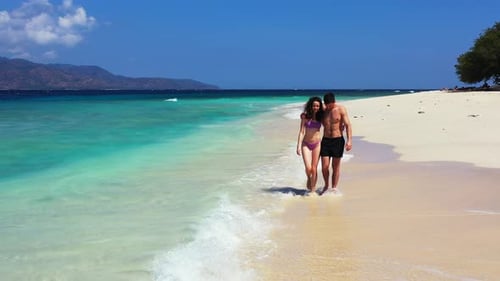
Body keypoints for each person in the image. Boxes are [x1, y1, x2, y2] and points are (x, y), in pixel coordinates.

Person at [319, 92, 352, 195]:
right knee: (325, 166)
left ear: (334, 102)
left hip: (337, 140)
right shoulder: (323, 110)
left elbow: (348, 125)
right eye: (327, 105)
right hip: (325, 140)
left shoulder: (341, 109)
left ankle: (334, 188)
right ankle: (326, 185)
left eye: (331, 105)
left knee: (335, 166)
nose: (329, 107)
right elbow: (313, 119)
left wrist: (349, 141)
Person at [296, 96, 324, 194]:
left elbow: (329, 122)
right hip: (306, 144)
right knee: (308, 168)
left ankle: (312, 190)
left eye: (317, 106)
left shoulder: (321, 116)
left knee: (314, 168)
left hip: (317, 144)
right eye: (314, 105)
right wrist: (298, 146)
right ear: (310, 106)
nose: (315, 107)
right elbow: (301, 132)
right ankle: (309, 177)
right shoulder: (305, 116)